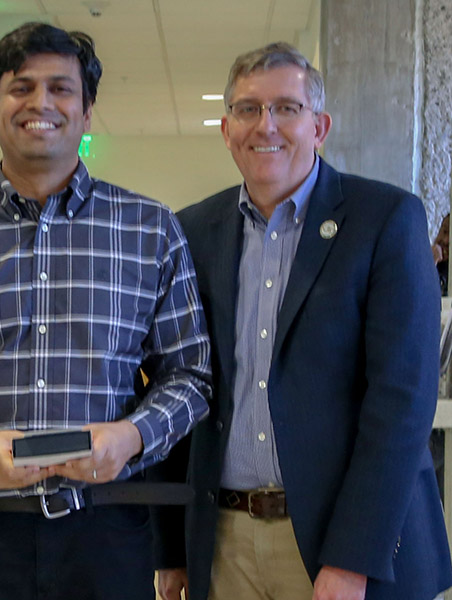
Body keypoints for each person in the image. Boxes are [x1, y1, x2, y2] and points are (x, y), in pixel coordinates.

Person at [0, 22, 211, 600]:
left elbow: (191, 376)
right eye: (21, 87)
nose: (41, 103)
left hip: (106, 534)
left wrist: (131, 436)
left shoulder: (150, 230)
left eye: (61, 88)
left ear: (87, 112)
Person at [152, 42, 452, 600]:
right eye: (248, 109)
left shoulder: (384, 219)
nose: (266, 125)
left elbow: (402, 400)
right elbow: (178, 389)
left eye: (286, 107)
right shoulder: (189, 231)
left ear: (320, 126)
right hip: (224, 543)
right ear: (226, 129)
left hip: (338, 547)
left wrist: (352, 558)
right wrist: (172, 548)